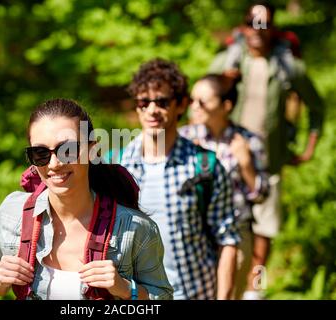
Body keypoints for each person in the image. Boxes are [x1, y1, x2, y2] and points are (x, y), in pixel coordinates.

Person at [0, 98, 173, 300]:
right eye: (40, 153)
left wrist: (124, 288)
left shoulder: (137, 228)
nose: (54, 164)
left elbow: (163, 297)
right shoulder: (12, 211)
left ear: (92, 150)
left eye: (67, 150)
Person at [209, 2, 325, 299]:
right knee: (230, 240)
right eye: (252, 22)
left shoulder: (288, 66)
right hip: (230, 170)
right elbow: (202, 100)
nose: (257, 30)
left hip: (269, 165)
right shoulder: (229, 62)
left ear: (273, 28)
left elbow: (316, 106)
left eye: (264, 24)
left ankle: (255, 292)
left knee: (263, 239)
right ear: (244, 26)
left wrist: (309, 147)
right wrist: (225, 82)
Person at [120, 58, 240, 300]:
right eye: (144, 102)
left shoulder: (205, 166)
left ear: (181, 104)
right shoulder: (118, 167)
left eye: (162, 102)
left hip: (196, 292)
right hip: (138, 298)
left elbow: (227, 239)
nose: (152, 110)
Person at [179, 73, 270, 299]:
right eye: (192, 100)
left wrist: (246, 164)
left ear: (226, 105)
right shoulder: (184, 138)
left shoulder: (248, 141)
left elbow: (262, 194)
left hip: (236, 233)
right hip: (194, 234)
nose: (194, 107)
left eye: (203, 101)